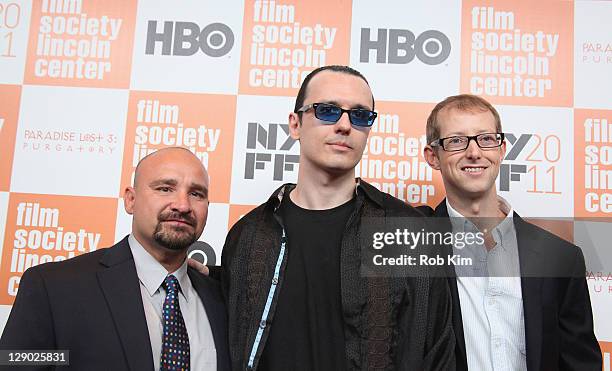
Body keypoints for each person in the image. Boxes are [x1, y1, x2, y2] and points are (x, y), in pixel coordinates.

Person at [220, 65, 455, 370]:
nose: (344, 125)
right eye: (327, 110)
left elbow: (437, 354)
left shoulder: (407, 233)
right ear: (295, 125)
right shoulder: (248, 236)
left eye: (360, 116)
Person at [0, 147, 230, 370]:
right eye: (164, 189)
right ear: (131, 200)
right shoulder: (53, 287)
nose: (182, 205)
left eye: (196, 194)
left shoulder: (224, 301)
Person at [421, 94, 601, 370]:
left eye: (486, 138)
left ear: (501, 150)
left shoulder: (560, 258)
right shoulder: (414, 247)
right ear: (433, 156)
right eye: (456, 140)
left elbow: (580, 363)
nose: (474, 152)